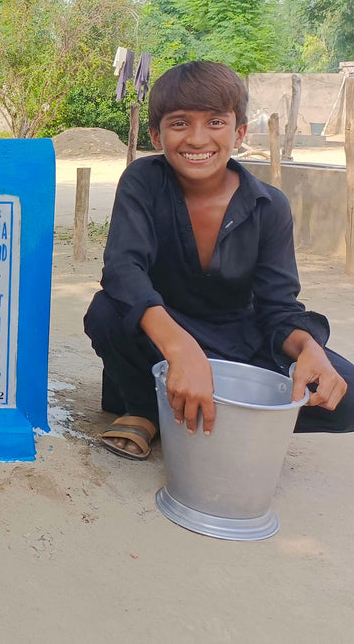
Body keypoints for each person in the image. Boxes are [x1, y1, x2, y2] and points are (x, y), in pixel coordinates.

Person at [84, 61, 354, 459]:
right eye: (179, 124)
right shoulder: (143, 181)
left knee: (345, 393)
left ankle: (204, 410)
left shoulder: (269, 206)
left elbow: (278, 308)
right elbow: (124, 270)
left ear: (239, 132)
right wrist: (181, 349)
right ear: (157, 135)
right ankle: (145, 407)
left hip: (238, 339)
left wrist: (308, 347)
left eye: (214, 122)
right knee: (106, 310)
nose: (197, 139)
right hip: (160, 335)